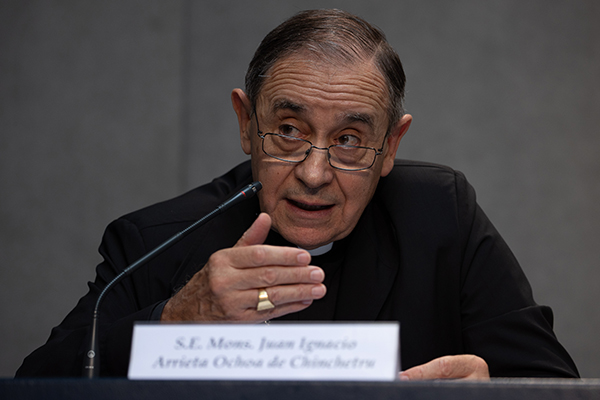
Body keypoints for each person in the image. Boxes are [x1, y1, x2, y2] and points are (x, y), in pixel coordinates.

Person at [16, 9, 578, 379]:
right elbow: (38, 385)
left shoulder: (439, 217)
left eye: (351, 139)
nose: (313, 173)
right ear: (245, 123)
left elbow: (555, 388)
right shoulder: (152, 241)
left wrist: (494, 396)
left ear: (390, 146)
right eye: (288, 131)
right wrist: (175, 322)